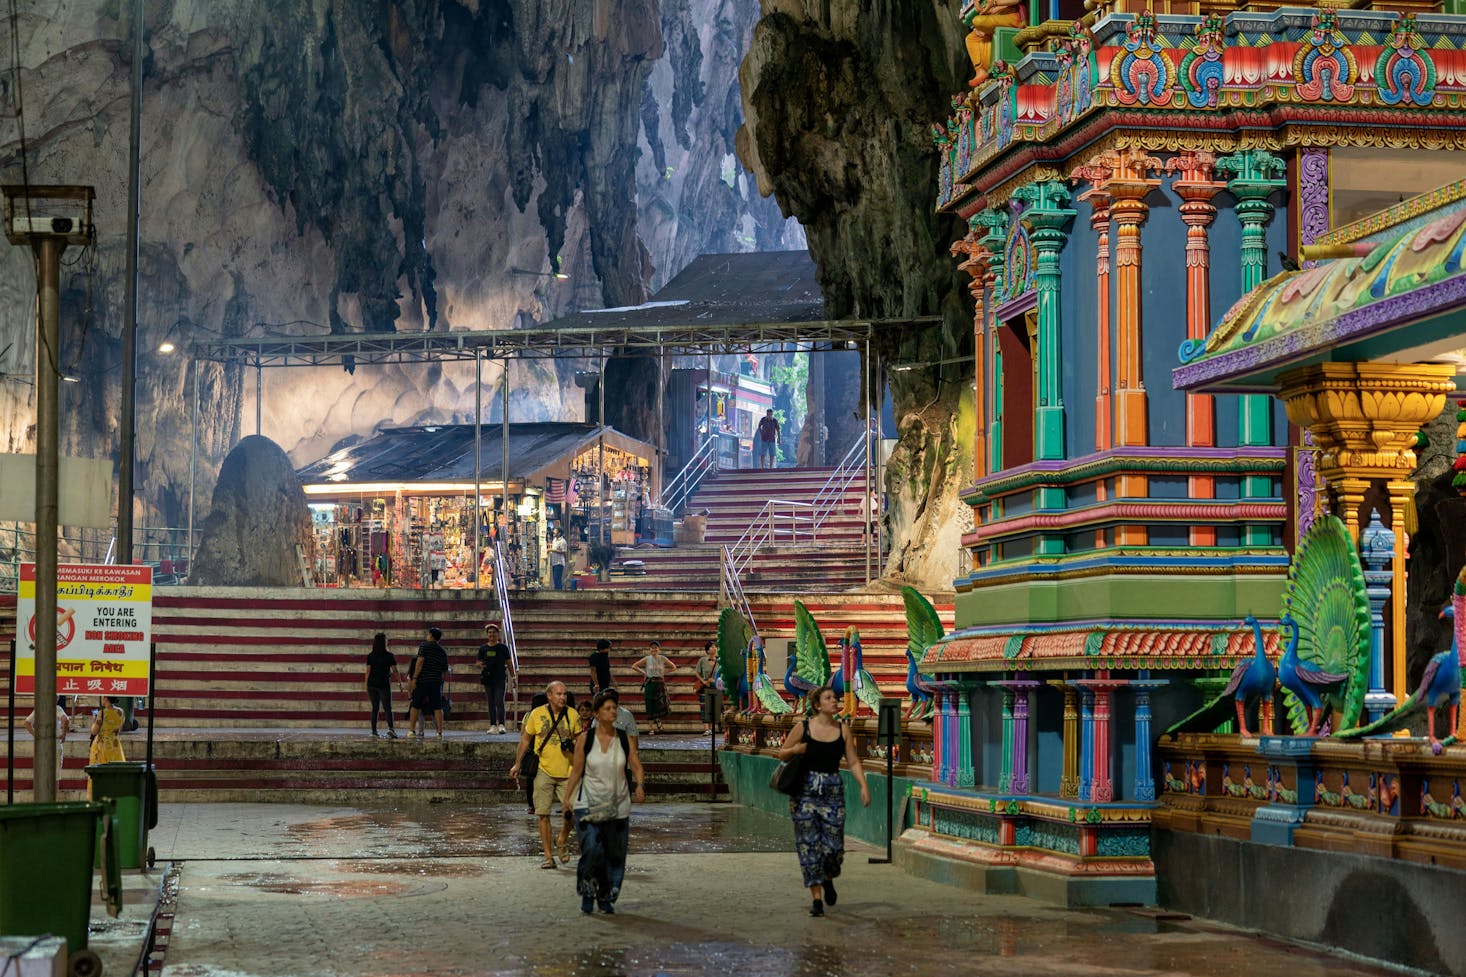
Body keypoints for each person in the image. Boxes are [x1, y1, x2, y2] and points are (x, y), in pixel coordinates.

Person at [776, 685, 871, 917]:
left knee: (834, 847)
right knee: (808, 845)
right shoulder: (804, 727)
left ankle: (828, 877)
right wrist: (797, 749)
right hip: (805, 791)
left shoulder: (843, 729)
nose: (834, 701)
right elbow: (782, 753)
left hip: (832, 791)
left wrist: (863, 785)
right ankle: (816, 899)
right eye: (829, 698)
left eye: (835, 698)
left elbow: (853, 760)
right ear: (818, 705)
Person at [563, 690, 646, 914]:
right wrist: (567, 797)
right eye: (607, 709)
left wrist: (639, 784)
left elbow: (636, 764)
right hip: (588, 803)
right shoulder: (585, 739)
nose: (612, 712)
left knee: (615, 855)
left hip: (618, 806)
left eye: (614, 708)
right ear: (597, 713)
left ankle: (606, 896)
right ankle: (588, 892)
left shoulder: (624, 739)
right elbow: (577, 770)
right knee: (592, 849)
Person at [509, 681, 582, 869]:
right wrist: (517, 763)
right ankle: (548, 856)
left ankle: (562, 839)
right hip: (543, 771)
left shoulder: (573, 715)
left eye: (565, 694)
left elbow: (580, 741)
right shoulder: (536, 714)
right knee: (543, 814)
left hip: (568, 771)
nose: (562, 697)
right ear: (549, 695)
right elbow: (525, 740)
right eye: (558, 694)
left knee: (571, 813)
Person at [406, 626, 449, 739]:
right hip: (436, 682)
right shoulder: (442, 651)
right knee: (437, 707)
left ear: (430, 635)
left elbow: (420, 662)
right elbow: (444, 671)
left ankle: (411, 730)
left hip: (423, 680)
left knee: (416, 705)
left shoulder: (424, 646)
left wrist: (415, 678)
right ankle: (439, 732)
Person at [631, 640, 678, 735]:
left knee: (660, 705)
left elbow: (673, 667)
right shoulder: (647, 659)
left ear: (659, 649)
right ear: (649, 649)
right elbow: (634, 666)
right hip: (650, 683)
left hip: (660, 683)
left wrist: (664, 673)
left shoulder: (663, 658)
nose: (654, 649)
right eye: (652, 647)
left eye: (656, 647)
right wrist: (644, 673)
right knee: (650, 705)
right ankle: (651, 728)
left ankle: (658, 720)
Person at [364, 632, 405, 738]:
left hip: (372, 684)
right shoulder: (389, 656)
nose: (388, 641)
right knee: (387, 708)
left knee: (375, 708)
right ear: (384, 642)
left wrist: (366, 684)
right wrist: (400, 682)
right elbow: (395, 671)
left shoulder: (370, 656)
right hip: (384, 684)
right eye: (386, 640)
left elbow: (368, 671)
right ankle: (391, 729)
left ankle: (374, 731)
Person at [25, 696, 70, 789]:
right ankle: (54, 800)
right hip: (55, 745)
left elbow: (26, 723)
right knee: (56, 776)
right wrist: (63, 734)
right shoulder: (57, 709)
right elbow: (65, 719)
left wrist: (36, 735)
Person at [477, 622, 513, 734]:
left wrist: (513, 675)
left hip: (500, 678)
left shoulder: (503, 648)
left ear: (498, 634)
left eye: (494, 632)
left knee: (499, 701)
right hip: (488, 678)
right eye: (489, 632)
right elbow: (478, 662)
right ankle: (492, 725)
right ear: (487, 635)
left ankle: (501, 724)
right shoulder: (483, 648)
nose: (491, 634)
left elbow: (509, 662)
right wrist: (480, 665)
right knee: (491, 702)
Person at [694, 639, 719, 736]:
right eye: (712, 647)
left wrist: (715, 680)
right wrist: (703, 681)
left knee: (713, 708)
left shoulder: (719, 661)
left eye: (715, 647)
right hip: (705, 686)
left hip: (715, 686)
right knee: (704, 707)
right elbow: (697, 672)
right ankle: (706, 729)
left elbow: (721, 674)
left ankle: (711, 728)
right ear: (708, 650)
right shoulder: (702, 660)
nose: (715, 648)